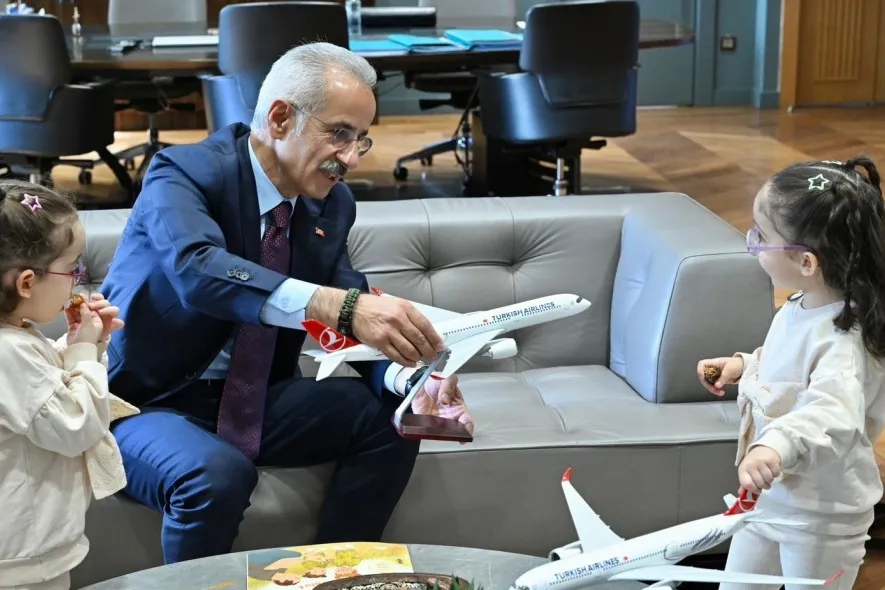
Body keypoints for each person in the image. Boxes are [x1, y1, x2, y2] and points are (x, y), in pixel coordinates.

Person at [100, 41, 474, 565]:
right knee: (217, 475)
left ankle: (334, 573)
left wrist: (412, 376)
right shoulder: (182, 172)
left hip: (256, 399)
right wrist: (336, 306)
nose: (351, 158)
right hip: (148, 401)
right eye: (339, 133)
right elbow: (198, 271)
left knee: (392, 416)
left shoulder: (331, 203)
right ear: (280, 118)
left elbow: (350, 306)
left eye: (361, 139)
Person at [696, 156, 885, 589]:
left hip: (821, 517)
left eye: (761, 236)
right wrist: (745, 366)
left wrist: (774, 446)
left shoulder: (844, 341)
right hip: (769, 499)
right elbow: (791, 371)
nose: (752, 243)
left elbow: (831, 414)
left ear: (806, 262)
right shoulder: (802, 305)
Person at [0, 180, 137, 590]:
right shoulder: (9, 352)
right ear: (26, 283)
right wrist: (83, 352)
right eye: (73, 268)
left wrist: (80, 344)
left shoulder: (15, 338)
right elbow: (75, 425)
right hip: (24, 559)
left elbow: (41, 393)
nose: (77, 280)